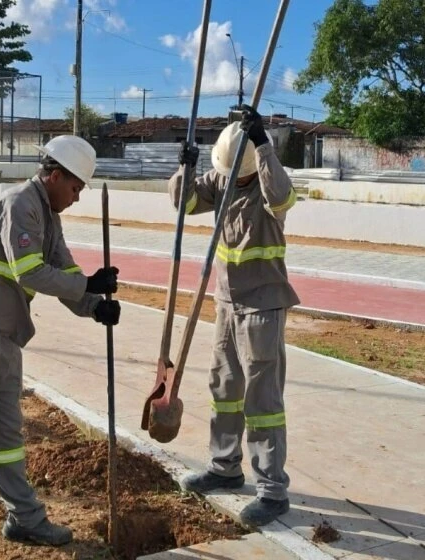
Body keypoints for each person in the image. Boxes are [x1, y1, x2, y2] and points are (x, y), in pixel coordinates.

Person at [0, 135, 121, 560]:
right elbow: (28, 271)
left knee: (7, 437)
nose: (77, 197)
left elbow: (65, 272)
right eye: (75, 187)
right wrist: (88, 284)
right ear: (55, 175)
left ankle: (24, 518)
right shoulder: (19, 203)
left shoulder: (49, 218)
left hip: (5, 336)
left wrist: (94, 305)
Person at [168, 106, 299, 527]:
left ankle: (272, 491)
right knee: (224, 387)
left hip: (262, 305)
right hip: (226, 301)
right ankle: (224, 467)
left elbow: (283, 197)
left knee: (262, 402)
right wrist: (185, 168)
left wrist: (262, 145)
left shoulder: (266, 184)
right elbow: (185, 203)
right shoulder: (222, 178)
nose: (231, 180)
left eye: (237, 175)